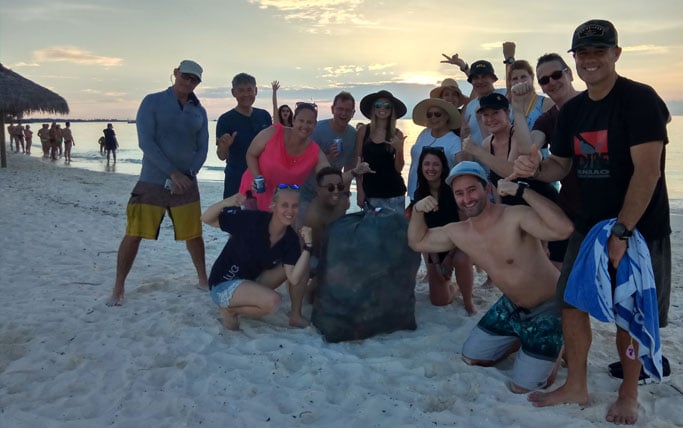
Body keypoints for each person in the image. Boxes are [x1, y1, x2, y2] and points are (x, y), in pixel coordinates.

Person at [510, 20, 671, 425]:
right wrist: (535, 167)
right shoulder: (574, 112)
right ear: (575, 61)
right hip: (588, 225)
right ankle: (576, 384)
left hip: (639, 228)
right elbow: (562, 165)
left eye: (599, 51)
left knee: (629, 311)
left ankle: (629, 393)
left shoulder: (639, 99)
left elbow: (647, 172)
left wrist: (623, 231)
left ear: (616, 53)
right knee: (570, 303)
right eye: (583, 53)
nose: (591, 59)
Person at [408, 161, 574, 393]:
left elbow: (563, 229)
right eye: (459, 193)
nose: (467, 198)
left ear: (487, 189)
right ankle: (521, 338)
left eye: (472, 189)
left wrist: (522, 191)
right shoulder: (459, 232)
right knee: (472, 357)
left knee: (523, 387)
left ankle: (558, 346)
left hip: (548, 307)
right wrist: (417, 210)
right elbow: (417, 241)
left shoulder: (515, 216)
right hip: (512, 306)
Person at [106, 59, 209, 307]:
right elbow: (146, 142)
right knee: (133, 234)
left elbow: (203, 148)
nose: (189, 82)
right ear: (175, 73)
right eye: (185, 76)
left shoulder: (200, 111)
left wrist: (188, 174)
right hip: (152, 180)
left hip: (187, 183)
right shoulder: (152, 101)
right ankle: (118, 286)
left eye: (194, 79)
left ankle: (203, 279)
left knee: (194, 235)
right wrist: (172, 174)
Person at [202, 186, 313, 330]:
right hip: (224, 283)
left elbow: (294, 278)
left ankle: (295, 316)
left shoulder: (290, 238)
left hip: (251, 281)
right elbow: (206, 218)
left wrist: (308, 246)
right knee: (273, 301)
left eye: (295, 206)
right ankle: (230, 310)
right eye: (284, 205)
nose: (290, 211)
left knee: (302, 263)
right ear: (273, 206)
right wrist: (226, 202)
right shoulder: (252, 220)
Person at [239, 102, 371, 211]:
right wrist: (257, 177)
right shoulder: (273, 132)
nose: (304, 126)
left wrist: (355, 171)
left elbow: (331, 178)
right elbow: (251, 154)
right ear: (294, 120)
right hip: (253, 195)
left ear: (314, 125)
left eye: (309, 122)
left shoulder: (315, 152)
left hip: (282, 205)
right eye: (301, 120)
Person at [409, 148, 475, 312]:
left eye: (435, 164)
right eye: (427, 164)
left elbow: (465, 226)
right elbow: (422, 233)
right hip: (435, 248)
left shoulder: (453, 191)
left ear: (443, 167)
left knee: (460, 259)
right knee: (439, 301)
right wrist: (437, 264)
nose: (431, 168)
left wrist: (450, 256)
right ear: (421, 167)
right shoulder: (419, 194)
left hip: (460, 243)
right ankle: (454, 286)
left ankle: (468, 301)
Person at [298, 91, 357, 223]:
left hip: (332, 194)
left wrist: (346, 195)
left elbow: (349, 169)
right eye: (340, 109)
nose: (343, 114)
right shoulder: (317, 130)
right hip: (308, 192)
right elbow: (302, 163)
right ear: (332, 109)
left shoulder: (353, 135)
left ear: (353, 113)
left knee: (328, 235)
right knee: (304, 234)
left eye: (347, 110)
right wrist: (328, 158)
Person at [216, 73, 272, 199]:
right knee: (235, 217)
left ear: (256, 91)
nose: (246, 94)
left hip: (261, 179)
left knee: (262, 217)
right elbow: (221, 156)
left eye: (249, 90)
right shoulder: (225, 120)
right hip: (236, 180)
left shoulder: (264, 116)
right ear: (233, 92)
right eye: (241, 90)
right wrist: (225, 146)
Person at [355, 90, 407, 213]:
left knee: (395, 231)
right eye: (378, 105)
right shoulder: (363, 131)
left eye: (387, 106)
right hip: (371, 192)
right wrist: (359, 190)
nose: (382, 108)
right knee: (371, 231)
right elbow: (357, 162)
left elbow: (399, 169)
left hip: (394, 192)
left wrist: (399, 149)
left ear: (391, 110)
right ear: (373, 108)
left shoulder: (397, 134)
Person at [407, 97, 466, 201]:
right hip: (414, 194)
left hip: (441, 197)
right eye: (429, 115)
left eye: (438, 114)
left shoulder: (454, 141)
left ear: (447, 116)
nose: (433, 117)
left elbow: (462, 168)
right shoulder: (423, 134)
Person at [506, 60, 554, 129]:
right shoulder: (507, 108)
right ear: (510, 82)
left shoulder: (546, 103)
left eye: (523, 77)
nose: (519, 82)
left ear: (531, 77)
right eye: (515, 79)